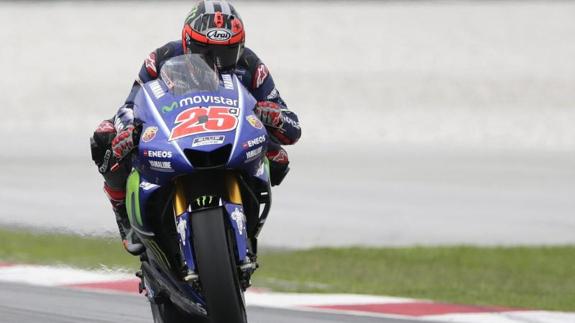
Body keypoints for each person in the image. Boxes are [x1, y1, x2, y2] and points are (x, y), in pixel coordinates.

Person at [90, 0, 301, 255]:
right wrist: (126, 129)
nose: (215, 62)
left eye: (226, 53)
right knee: (104, 137)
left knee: (278, 159)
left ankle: (243, 222)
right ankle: (123, 213)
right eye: (205, 51)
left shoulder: (251, 66)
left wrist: (274, 115)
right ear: (188, 42)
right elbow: (132, 104)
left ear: (240, 47)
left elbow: (292, 126)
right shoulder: (162, 58)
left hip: (232, 138)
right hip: (174, 137)